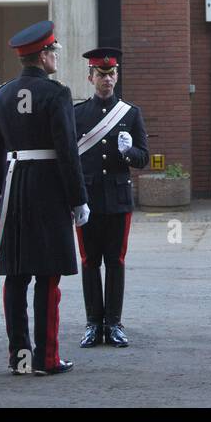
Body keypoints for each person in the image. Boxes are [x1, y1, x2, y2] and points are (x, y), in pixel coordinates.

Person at [0, 20, 89, 376]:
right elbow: (67, 152)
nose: (55, 56)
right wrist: (79, 199)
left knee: (16, 277)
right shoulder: (57, 94)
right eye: (53, 51)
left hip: (14, 189)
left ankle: (20, 358)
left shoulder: (1, 95)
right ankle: (46, 357)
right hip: (48, 189)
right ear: (42, 56)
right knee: (47, 278)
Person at [73, 47, 149, 349]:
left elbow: (143, 157)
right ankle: (93, 323)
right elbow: (70, 157)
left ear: (117, 76)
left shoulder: (130, 114)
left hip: (117, 199)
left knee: (115, 262)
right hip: (88, 199)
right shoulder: (77, 113)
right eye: (101, 74)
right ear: (91, 77)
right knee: (90, 261)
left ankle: (114, 323)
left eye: (112, 73)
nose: (107, 79)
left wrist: (128, 152)